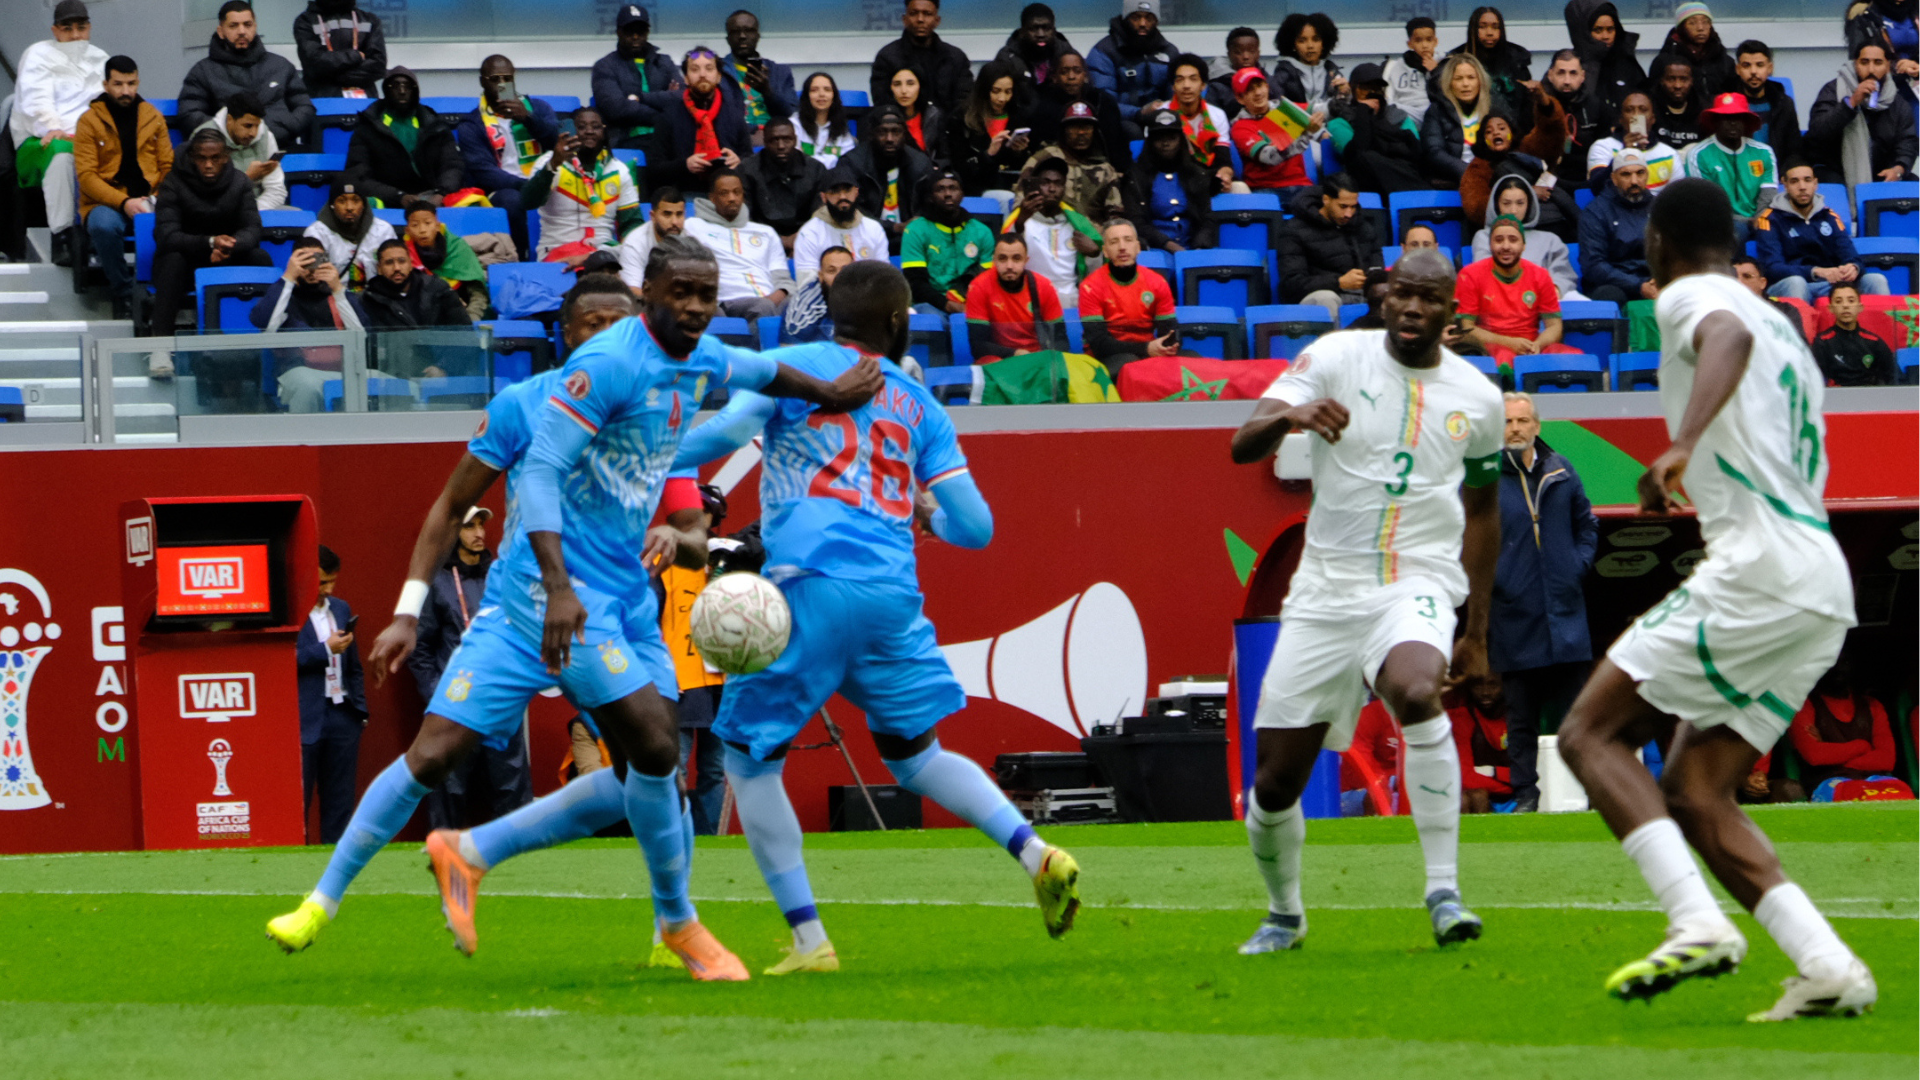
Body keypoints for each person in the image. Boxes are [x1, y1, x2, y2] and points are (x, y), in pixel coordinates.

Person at [264, 237, 884, 970]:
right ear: (582, 327)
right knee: (460, 755)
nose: (689, 309)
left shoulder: (691, 362)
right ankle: (321, 902)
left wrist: (830, 394)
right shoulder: (555, 392)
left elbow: (757, 377)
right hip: (545, 599)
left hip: (622, 604)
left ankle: (537, 877)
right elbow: (486, 494)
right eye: (592, 323)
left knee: (648, 767)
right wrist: (412, 608)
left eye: (703, 296)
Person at [670, 260, 1082, 973]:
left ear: (834, 313)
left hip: (808, 588)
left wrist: (636, 455)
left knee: (746, 761)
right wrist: (928, 518)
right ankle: (1035, 852)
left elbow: (718, 438)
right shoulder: (921, 402)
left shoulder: (791, 364)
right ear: (898, 322)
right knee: (915, 754)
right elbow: (977, 528)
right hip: (891, 596)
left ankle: (809, 941)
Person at [1554, 178, 1876, 1023]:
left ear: (1657, 242)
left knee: (1589, 733)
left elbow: (1720, 332)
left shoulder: (1698, 297)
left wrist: (1682, 444)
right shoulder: (1788, 327)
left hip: (1760, 565)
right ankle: (1828, 965)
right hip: (1818, 580)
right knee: (1698, 787)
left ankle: (1695, 920)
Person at [1228, 248, 1505, 955]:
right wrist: (1293, 416)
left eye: (1430, 299)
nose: (1414, 308)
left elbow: (1482, 513)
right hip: (1326, 588)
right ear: (1385, 299)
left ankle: (1443, 891)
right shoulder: (1333, 356)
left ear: (1452, 310)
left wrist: (1475, 632)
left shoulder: (1478, 398)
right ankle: (1285, 914)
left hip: (1416, 579)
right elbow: (1241, 444)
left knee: (1417, 690)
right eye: (1403, 295)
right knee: (1273, 787)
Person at [1490, 391, 1598, 813]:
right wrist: (1500, 582)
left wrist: (1576, 566)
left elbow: (1587, 525)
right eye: (1507, 422)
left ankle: (1593, 794)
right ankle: (1525, 797)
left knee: (1579, 719)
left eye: (1522, 421)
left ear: (1537, 426)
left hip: (1566, 614)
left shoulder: (1562, 469)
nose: (1515, 428)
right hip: (1514, 616)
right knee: (1521, 721)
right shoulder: (1484, 477)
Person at [410, 506, 532, 831]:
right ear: (454, 532)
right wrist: (440, 697)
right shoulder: (437, 582)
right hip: (457, 705)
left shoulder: (502, 576)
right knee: (449, 789)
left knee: (512, 789)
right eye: (469, 526)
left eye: (482, 525)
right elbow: (420, 649)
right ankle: (443, 857)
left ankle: (520, 860)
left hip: (500, 701)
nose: (479, 532)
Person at [148, 131, 271, 346]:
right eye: (202, 159)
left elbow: (252, 228)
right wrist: (210, 243)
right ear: (192, 158)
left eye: (215, 158)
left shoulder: (240, 182)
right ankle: (161, 345)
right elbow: (166, 235)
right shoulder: (173, 183)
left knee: (260, 257)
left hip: (227, 256)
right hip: (186, 261)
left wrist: (231, 246)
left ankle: (272, 341)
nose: (208, 165)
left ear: (225, 157)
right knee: (172, 260)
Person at [10, 0, 108, 267]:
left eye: (81, 27)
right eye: (67, 29)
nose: (75, 35)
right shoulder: (37, 54)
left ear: (89, 28)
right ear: (55, 31)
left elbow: (103, 105)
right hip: (38, 140)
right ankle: (62, 235)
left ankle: (104, 236)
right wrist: (54, 128)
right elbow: (35, 100)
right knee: (61, 154)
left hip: (84, 139)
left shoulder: (101, 59)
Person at [655, 480, 728, 834]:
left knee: (715, 768)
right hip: (680, 677)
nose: (692, 514)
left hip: (723, 680)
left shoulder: (731, 558)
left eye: (702, 509)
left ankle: (710, 838)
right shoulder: (665, 556)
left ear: (713, 516)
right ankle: (675, 835)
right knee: (677, 766)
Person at [75, 56, 170, 321]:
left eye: (131, 83)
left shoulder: (154, 117)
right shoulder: (89, 121)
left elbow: (168, 166)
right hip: (105, 200)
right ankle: (123, 292)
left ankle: (160, 291)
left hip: (150, 196)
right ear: (106, 84)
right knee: (104, 226)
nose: (126, 91)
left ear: (138, 82)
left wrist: (156, 199)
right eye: (118, 84)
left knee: (178, 221)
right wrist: (123, 202)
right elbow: (87, 176)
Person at [298, 544, 368, 844]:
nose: (329, 588)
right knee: (298, 801)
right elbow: (280, 660)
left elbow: (354, 665)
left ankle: (335, 866)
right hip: (304, 718)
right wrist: (325, 649)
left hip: (342, 713)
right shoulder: (290, 610)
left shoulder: (340, 608)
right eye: (322, 581)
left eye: (332, 581)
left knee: (340, 801)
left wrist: (359, 712)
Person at [251, 238, 371, 411]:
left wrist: (337, 288)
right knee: (307, 386)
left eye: (317, 260)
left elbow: (362, 335)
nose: (312, 268)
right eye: (305, 261)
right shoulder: (284, 295)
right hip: (298, 371)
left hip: (345, 371)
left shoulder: (339, 295)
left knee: (389, 383)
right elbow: (264, 322)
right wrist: (289, 276)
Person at [179, 2, 314, 150]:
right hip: (228, 155)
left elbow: (304, 106)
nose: (242, 31)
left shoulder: (281, 66)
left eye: (247, 24)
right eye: (233, 26)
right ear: (221, 31)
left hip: (281, 147)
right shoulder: (203, 71)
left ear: (255, 27)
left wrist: (285, 125)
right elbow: (189, 113)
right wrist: (229, 131)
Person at [1756, 162, 1891, 304]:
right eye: (1794, 181)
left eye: (1807, 180)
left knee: (1875, 280)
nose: (1802, 187)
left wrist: (1853, 268)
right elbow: (1772, 268)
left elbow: (1851, 255)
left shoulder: (1830, 216)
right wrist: (1815, 271)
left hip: (1831, 284)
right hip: (1796, 286)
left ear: (1815, 184)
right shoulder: (1770, 219)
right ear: (1785, 185)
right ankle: (1800, 325)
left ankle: (1884, 325)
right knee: (1796, 283)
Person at [1456, 217, 1581, 368]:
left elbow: (1554, 326)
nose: (1506, 246)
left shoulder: (1540, 275)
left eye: (1513, 240)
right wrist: (1509, 343)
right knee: (1505, 360)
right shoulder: (1470, 275)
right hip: (1490, 347)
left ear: (1523, 245)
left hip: (1531, 345)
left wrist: (1538, 345)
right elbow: (1466, 328)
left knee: (1574, 358)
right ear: (1490, 245)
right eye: (1499, 240)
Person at [523, 108, 643, 264]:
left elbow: (631, 224)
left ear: (605, 132)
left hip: (604, 254)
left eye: (596, 127)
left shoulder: (619, 170)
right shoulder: (549, 162)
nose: (589, 132)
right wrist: (552, 165)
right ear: (569, 131)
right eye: (581, 127)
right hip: (558, 253)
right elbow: (527, 201)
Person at [1460, 87, 1576, 241]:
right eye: (1489, 131)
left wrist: (1544, 102)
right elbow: (1475, 208)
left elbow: (1551, 134)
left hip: (1549, 222)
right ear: (1483, 139)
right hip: (1505, 233)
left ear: (1511, 133)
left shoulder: (1526, 149)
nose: (1496, 133)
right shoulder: (1477, 169)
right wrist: (1527, 194)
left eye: (1502, 128)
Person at [343, 68, 463, 210]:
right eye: (395, 86)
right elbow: (359, 176)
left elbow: (452, 166)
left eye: (407, 86)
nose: (402, 91)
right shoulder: (367, 128)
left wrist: (441, 193)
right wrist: (398, 196)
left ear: (415, 91)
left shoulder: (436, 126)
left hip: (434, 198)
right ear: (386, 91)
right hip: (389, 201)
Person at [455, 55, 560, 215]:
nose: (502, 84)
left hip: (546, 179)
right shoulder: (472, 124)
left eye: (507, 78)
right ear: (483, 82)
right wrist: (528, 185)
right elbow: (486, 173)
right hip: (505, 189)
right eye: (495, 79)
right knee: (512, 200)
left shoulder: (538, 108)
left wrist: (528, 118)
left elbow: (556, 143)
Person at [1078, 218, 1180, 376]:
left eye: (1128, 240)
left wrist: (1169, 344)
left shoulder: (1157, 282)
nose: (1122, 247)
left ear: (1138, 247)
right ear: (1105, 251)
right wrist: (1146, 348)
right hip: (1106, 360)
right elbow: (1099, 344)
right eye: (1114, 242)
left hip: (1149, 354)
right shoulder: (1090, 286)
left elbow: (1170, 329)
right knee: (1128, 362)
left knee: (1191, 359)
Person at [686, 169, 792, 318]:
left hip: (768, 302)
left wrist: (772, 300)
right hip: (724, 301)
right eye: (724, 193)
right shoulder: (694, 226)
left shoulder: (766, 232)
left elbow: (782, 281)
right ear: (712, 198)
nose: (732, 198)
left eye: (737, 192)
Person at [1808, 43, 1917, 188]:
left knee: (1912, 184)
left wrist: (1898, 169)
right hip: (1835, 170)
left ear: (1887, 66)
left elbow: (1907, 142)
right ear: (1854, 64)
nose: (1871, 69)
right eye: (1864, 62)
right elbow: (1817, 132)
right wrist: (1851, 103)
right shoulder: (1833, 91)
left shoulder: (1897, 102)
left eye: (1878, 63)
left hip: (1881, 172)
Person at [1278, 173, 1383, 320]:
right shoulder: (1294, 230)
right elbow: (1291, 285)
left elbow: (1377, 267)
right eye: (1343, 206)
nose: (1349, 213)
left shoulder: (1364, 228)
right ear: (1326, 200)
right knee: (1327, 298)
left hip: (1361, 294)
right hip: (1320, 296)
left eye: (1353, 207)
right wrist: (1339, 282)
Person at [650, 47, 752, 196]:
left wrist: (739, 162)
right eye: (695, 69)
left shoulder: (734, 113)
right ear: (685, 78)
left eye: (709, 69)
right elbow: (654, 167)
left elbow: (749, 158)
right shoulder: (669, 115)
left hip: (728, 196)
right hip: (685, 195)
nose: (702, 75)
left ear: (718, 76)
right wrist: (685, 165)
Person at [1004, 156, 1101, 310]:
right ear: (1035, 185)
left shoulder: (1077, 222)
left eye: (1058, 183)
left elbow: (1097, 276)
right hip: (1031, 298)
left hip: (1071, 301)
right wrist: (1020, 224)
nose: (1052, 189)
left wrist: (1094, 254)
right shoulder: (1021, 219)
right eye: (1045, 182)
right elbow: (1005, 258)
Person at [1678, 94, 1779, 238]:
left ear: (1746, 122)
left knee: (1778, 231)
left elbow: (1768, 194)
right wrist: (1742, 222)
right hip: (1720, 222)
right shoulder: (1698, 154)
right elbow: (1705, 201)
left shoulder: (1764, 152)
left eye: (1738, 117)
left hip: (1760, 218)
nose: (1733, 123)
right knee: (1736, 231)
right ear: (1716, 121)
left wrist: (1760, 218)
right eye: (1726, 117)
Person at [591, 5, 681, 162]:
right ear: (618, 32)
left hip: (667, 140)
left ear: (647, 32)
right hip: (626, 142)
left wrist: (640, 98)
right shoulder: (605, 66)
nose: (635, 36)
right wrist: (663, 111)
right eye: (629, 30)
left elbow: (681, 98)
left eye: (640, 30)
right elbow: (617, 109)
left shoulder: (664, 62)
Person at [1790, 664, 1900, 793]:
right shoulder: (1804, 705)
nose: (1840, 668)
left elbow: (1887, 759)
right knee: (1854, 797)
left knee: (1904, 798)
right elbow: (1815, 755)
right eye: (1833, 661)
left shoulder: (1872, 705)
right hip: (1827, 780)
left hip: (1876, 777)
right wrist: (1862, 747)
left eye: (1844, 661)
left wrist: (1835, 758)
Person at [1121, 109, 1217, 252]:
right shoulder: (1135, 177)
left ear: (1180, 140)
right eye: (1159, 138)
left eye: (1172, 138)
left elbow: (1207, 218)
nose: (1166, 143)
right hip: (1155, 247)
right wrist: (1168, 244)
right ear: (1150, 142)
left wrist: (1199, 247)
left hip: (1194, 246)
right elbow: (1137, 222)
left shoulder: (1195, 173)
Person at [902, 169, 995, 315]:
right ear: (931, 197)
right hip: (930, 304)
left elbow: (986, 278)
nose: (948, 194)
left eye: (953, 188)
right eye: (940, 189)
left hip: (971, 300)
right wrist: (947, 305)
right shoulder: (915, 230)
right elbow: (915, 283)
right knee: (931, 318)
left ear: (962, 194)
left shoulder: (982, 232)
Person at [1327, 63, 1427, 197]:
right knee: (1367, 157)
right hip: (1364, 185)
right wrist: (1363, 112)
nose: (1372, 93)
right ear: (1353, 88)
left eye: (1377, 88)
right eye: (1365, 88)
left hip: (1404, 177)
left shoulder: (1400, 117)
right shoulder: (1338, 123)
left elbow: (1416, 154)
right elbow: (1357, 154)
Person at [1472, 177, 1580, 298]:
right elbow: (1485, 275)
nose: (1513, 210)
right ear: (1496, 205)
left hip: (1546, 301)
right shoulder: (1484, 237)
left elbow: (1563, 275)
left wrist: (1555, 290)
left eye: (1520, 203)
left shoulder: (1550, 240)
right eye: (1506, 203)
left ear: (1529, 205)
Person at [965, 232, 1066, 362]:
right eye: (1002, 258)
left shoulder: (1044, 286)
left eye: (1016, 258)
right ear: (994, 260)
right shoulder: (978, 286)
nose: (1009, 266)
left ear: (1026, 260)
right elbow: (978, 346)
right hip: (999, 359)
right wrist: (1016, 353)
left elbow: (1060, 339)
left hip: (1037, 359)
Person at [840, 105, 934, 243]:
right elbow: (847, 208)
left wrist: (916, 224)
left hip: (911, 238)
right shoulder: (853, 162)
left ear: (904, 134)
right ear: (872, 134)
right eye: (882, 132)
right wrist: (894, 227)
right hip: (863, 236)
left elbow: (929, 204)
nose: (889, 138)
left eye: (896, 132)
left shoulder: (921, 164)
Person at [869, 0, 975, 118]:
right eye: (914, 13)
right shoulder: (887, 57)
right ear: (904, 19)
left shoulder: (956, 58)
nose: (920, 19)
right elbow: (883, 103)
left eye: (927, 14)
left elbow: (964, 102)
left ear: (937, 20)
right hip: (902, 129)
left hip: (948, 131)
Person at [1027, 50, 1131, 170]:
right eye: (1064, 72)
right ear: (1054, 77)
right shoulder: (1044, 108)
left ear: (1085, 75)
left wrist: (1120, 170)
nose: (1071, 77)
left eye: (1077, 71)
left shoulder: (1102, 101)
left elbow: (1117, 143)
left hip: (1101, 168)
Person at [1577, 148, 1656, 306]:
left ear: (1647, 175)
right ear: (1613, 178)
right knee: (1609, 295)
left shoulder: (1661, 207)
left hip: (1655, 279)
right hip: (1614, 283)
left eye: (1640, 173)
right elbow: (1593, 265)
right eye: (1626, 174)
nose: (1634, 181)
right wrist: (1638, 285)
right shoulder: (1595, 212)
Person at [1089, 0, 1178, 132]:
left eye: (1149, 18)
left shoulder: (1168, 51)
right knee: (1131, 130)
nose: (1143, 24)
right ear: (1126, 19)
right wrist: (1140, 113)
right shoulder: (1104, 52)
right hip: (1122, 122)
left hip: (1161, 120)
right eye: (1136, 18)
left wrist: (1165, 108)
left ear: (1157, 21)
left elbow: (1177, 94)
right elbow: (1104, 103)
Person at [1023, 103, 1127, 217]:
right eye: (1074, 127)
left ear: (1094, 131)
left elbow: (1115, 216)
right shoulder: (1043, 158)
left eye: (1086, 127)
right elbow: (1022, 204)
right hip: (1046, 227)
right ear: (1064, 130)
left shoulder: (1105, 169)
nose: (1081, 132)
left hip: (1093, 232)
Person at [740, 118, 827, 251]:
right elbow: (744, 216)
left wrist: (801, 237)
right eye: (774, 140)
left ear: (795, 140)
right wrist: (775, 239)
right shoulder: (746, 170)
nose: (781, 146)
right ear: (764, 141)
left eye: (787, 139)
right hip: (758, 241)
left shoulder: (815, 169)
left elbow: (821, 215)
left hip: (807, 241)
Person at [1153, 54, 1234, 193]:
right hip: (1173, 179)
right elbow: (1156, 160)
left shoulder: (1217, 115)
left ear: (1203, 85)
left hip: (1209, 177)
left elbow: (1223, 158)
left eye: (1193, 79)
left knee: (1239, 188)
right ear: (1173, 86)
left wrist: (1225, 174)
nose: (1186, 86)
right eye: (1180, 80)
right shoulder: (1161, 114)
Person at [949, 59, 1031, 196]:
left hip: (1010, 186)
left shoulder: (1018, 117)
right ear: (984, 89)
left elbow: (1021, 166)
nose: (1002, 98)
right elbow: (959, 167)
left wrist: (1019, 152)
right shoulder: (962, 117)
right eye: (996, 91)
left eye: (1008, 92)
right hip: (974, 191)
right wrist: (988, 154)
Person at [194, 91, 286, 212]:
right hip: (217, 216)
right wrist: (247, 178)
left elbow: (276, 190)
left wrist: (252, 213)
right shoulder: (204, 140)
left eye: (257, 126)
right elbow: (205, 199)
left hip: (257, 209)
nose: (253, 133)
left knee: (300, 218)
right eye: (248, 126)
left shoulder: (266, 137)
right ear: (230, 120)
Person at [794, 167, 889, 283]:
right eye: (835, 191)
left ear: (856, 192)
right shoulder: (809, 232)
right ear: (824, 197)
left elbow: (884, 277)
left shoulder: (873, 229)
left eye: (847, 190)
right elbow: (807, 284)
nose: (842, 197)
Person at [360, 239, 472, 336]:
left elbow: (464, 332)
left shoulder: (438, 290)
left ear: (410, 264)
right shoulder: (369, 300)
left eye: (402, 261)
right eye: (389, 263)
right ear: (379, 268)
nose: (397, 268)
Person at [403, 204, 489, 322]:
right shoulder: (403, 255)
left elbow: (478, 293)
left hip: (462, 313)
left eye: (428, 223)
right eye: (415, 225)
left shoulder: (458, 248)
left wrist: (470, 319)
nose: (422, 230)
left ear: (438, 226)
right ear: (407, 230)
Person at [1449, 7, 1534, 125]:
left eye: (1495, 27)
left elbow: (1526, 106)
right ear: (1473, 29)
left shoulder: (1516, 61)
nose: (1489, 32)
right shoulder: (1457, 60)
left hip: (1513, 133)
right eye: (1483, 26)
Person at [303, 179, 396, 286]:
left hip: (375, 296)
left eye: (356, 200)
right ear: (332, 204)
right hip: (332, 296)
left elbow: (393, 269)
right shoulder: (317, 233)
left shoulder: (383, 230)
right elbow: (314, 278)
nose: (349, 207)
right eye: (342, 201)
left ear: (364, 204)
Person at [1542, 48, 1611, 192]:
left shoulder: (1597, 106)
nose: (1567, 81)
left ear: (1583, 76)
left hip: (1588, 182)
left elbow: (1606, 149)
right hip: (1547, 183)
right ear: (1550, 75)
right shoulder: (1537, 106)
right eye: (1561, 73)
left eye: (1573, 73)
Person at [721, 10, 798, 135]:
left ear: (757, 36)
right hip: (735, 138)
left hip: (775, 140)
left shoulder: (780, 72)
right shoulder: (717, 72)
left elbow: (791, 115)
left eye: (749, 30)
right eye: (735, 31)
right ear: (728, 38)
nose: (742, 36)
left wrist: (768, 92)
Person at [1587, 92, 1680, 194]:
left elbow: (1678, 196)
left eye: (1643, 110)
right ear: (1621, 119)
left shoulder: (1669, 154)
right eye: (1629, 110)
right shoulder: (1603, 147)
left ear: (1653, 119)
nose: (1636, 115)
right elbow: (1596, 188)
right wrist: (1624, 153)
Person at [1422, 54, 1494, 186]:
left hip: (1489, 178)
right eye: (1458, 78)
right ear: (1449, 83)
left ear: (1480, 81)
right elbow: (1434, 152)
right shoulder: (1436, 110)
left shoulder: (1493, 110)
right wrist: (1466, 171)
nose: (1465, 84)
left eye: (1471, 77)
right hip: (1452, 180)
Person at [294, 0, 386, 100]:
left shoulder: (369, 19)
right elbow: (313, 62)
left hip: (364, 102)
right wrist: (356, 56)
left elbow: (378, 66)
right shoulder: (305, 20)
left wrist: (332, 75)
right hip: (321, 100)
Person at [1812, 282, 1899, 386]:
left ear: (1860, 307)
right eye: (1839, 301)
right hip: (1836, 398)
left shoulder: (1875, 342)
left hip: (1870, 398)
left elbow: (1892, 378)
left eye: (1851, 301)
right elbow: (1815, 381)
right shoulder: (1822, 343)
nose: (1845, 306)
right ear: (1831, 308)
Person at [1566, 0, 1644, 110]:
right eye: (1598, 30)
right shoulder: (1569, 67)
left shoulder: (1627, 64)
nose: (1605, 36)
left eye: (1610, 29)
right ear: (1584, 32)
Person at [1735, 41, 1804, 162]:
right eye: (1746, 65)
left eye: (1760, 65)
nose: (1753, 71)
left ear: (1770, 68)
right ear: (1738, 69)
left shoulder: (1783, 103)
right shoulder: (1727, 104)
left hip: (1776, 173)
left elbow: (1794, 150)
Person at [1655, 1, 1737, 98]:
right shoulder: (1665, 61)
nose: (1700, 28)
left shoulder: (1725, 60)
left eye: (1705, 22)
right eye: (1692, 23)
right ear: (1681, 28)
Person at [1272, 13, 1347, 119]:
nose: (1310, 46)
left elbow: (1342, 108)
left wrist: (1346, 94)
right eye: (1302, 40)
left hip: (1329, 125)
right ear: (1293, 45)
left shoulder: (1332, 71)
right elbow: (1277, 104)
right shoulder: (1284, 74)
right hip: (1297, 126)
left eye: (1316, 39)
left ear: (1324, 43)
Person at [618, 187, 688, 296]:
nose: (674, 222)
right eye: (667, 214)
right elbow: (632, 291)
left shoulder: (692, 238)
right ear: (653, 216)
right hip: (650, 305)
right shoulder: (634, 243)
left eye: (679, 214)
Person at [995, 3, 1075, 97]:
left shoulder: (1066, 54)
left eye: (1046, 28)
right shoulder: (1007, 58)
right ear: (1022, 32)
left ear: (1054, 30)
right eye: (1034, 29)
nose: (1041, 34)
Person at [782, 245, 853, 344]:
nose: (839, 276)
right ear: (821, 276)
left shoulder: (870, 295)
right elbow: (789, 350)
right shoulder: (805, 303)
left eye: (845, 270)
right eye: (831, 271)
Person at [1384, 18, 1443, 125]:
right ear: (1410, 43)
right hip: (1406, 111)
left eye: (1429, 39)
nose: (1425, 45)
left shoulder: (1445, 62)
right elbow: (1389, 98)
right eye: (1418, 40)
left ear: (1436, 41)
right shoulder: (1395, 66)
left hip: (1434, 109)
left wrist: (1436, 71)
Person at [796, 73, 858, 168]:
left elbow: (849, 160)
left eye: (827, 90)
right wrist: (832, 159)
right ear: (806, 96)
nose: (821, 94)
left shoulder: (841, 127)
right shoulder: (794, 125)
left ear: (834, 96)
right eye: (814, 90)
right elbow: (796, 161)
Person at [1206, 27, 1268, 122]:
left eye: (1251, 51)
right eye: (1238, 52)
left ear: (1258, 53)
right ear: (1229, 54)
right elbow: (1213, 121)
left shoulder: (1267, 79)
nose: (1246, 57)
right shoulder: (1216, 86)